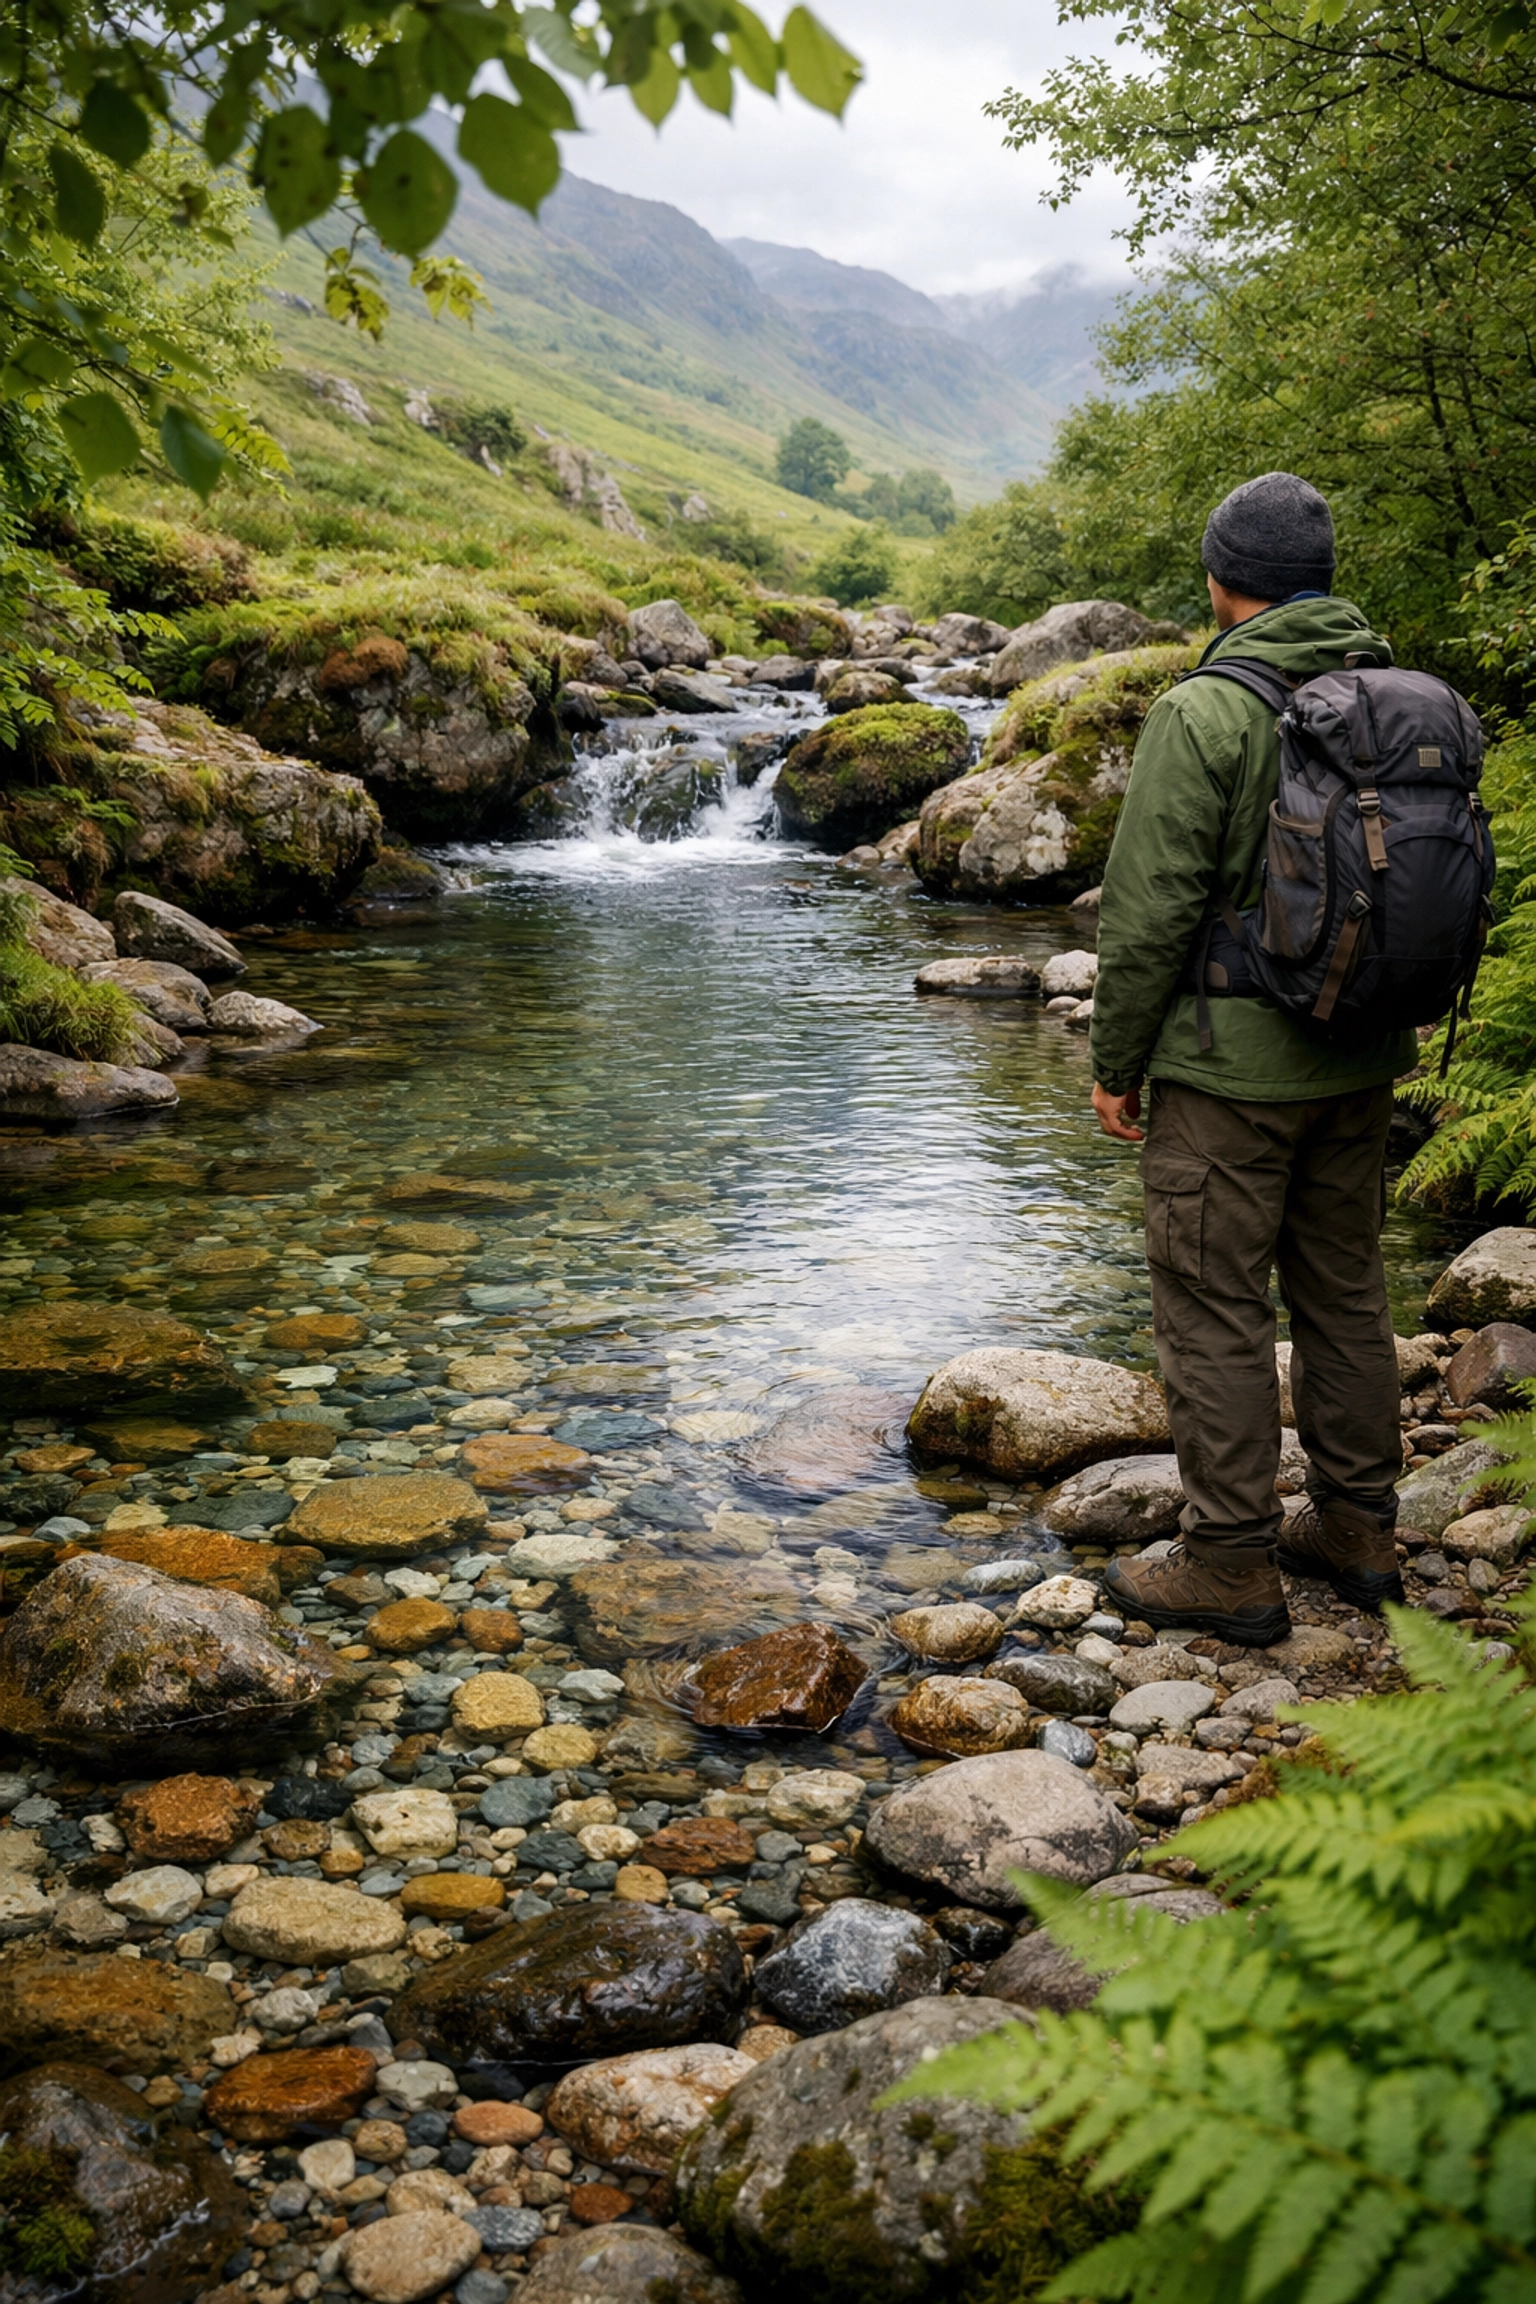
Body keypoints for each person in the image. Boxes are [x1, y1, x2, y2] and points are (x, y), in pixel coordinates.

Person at [1090, 472, 1412, 1647]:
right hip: (1362, 1058)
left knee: (1214, 1307)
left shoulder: (1206, 710)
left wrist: (1118, 1061)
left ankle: (1229, 1563)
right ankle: (1360, 1532)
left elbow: (1148, 911)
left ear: (1221, 583)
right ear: (1318, 582)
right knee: (1345, 1293)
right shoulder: (1395, 693)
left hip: (1229, 1072)